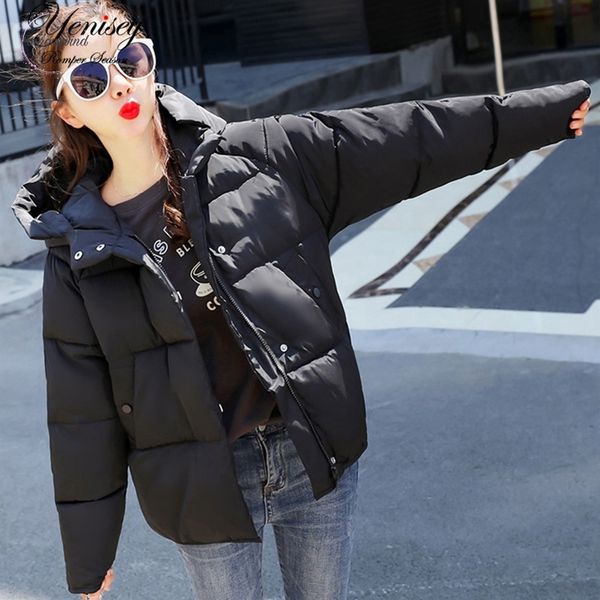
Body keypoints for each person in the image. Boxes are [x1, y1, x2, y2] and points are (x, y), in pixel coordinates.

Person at [11, 1, 591, 598]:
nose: (120, 84)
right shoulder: (79, 247)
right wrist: (89, 552)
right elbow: (81, 408)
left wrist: (538, 115)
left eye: (130, 58)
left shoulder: (263, 157)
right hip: (200, 480)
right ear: (67, 109)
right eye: (90, 79)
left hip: (307, 447)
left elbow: (409, 138)